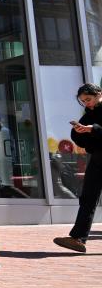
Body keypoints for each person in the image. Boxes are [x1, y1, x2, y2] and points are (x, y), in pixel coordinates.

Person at [53, 83, 102, 253]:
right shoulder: (89, 115)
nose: (86, 103)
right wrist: (79, 132)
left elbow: (96, 131)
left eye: (88, 99)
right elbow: (82, 140)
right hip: (97, 158)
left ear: (98, 94)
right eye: (83, 101)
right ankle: (78, 238)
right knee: (88, 197)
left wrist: (93, 129)